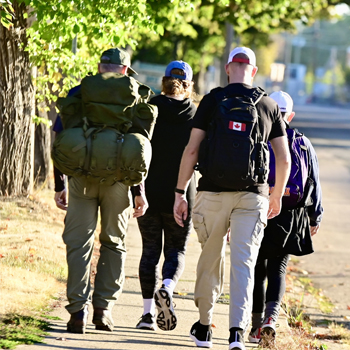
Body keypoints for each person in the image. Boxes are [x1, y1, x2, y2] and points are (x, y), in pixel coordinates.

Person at [173, 47, 291, 350]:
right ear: (252, 70)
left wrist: (179, 193)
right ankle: (236, 333)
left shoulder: (212, 101)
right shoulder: (267, 104)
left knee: (210, 260)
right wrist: (275, 196)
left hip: (212, 192)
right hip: (253, 197)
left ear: (228, 68)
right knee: (244, 264)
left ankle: (203, 327)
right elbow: (284, 158)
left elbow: (192, 149)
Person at [53, 48, 149, 334]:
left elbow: (60, 137)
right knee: (114, 243)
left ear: (99, 66)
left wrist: (60, 184)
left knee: (78, 245)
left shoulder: (79, 91)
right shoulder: (135, 95)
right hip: (119, 182)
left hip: (81, 178)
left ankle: (76, 312)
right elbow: (140, 147)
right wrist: (138, 191)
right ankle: (103, 310)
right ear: (124, 70)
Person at [248, 91, 323, 346]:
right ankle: (271, 319)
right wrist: (315, 216)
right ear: (290, 115)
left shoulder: (257, 134)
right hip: (289, 213)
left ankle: (256, 326)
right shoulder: (302, 142)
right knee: (278, 267)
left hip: (257, 206)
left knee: (257, 268)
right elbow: (313, 179)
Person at [135, 61, 197, 331]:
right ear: (189, 85)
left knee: (150, 250)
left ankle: (147, 315)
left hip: (148, 190)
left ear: (164, 81)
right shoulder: (196, 114)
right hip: (181, 193)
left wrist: (136, 189)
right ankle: (168, 288)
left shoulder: (150, 108)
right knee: (176, 249)